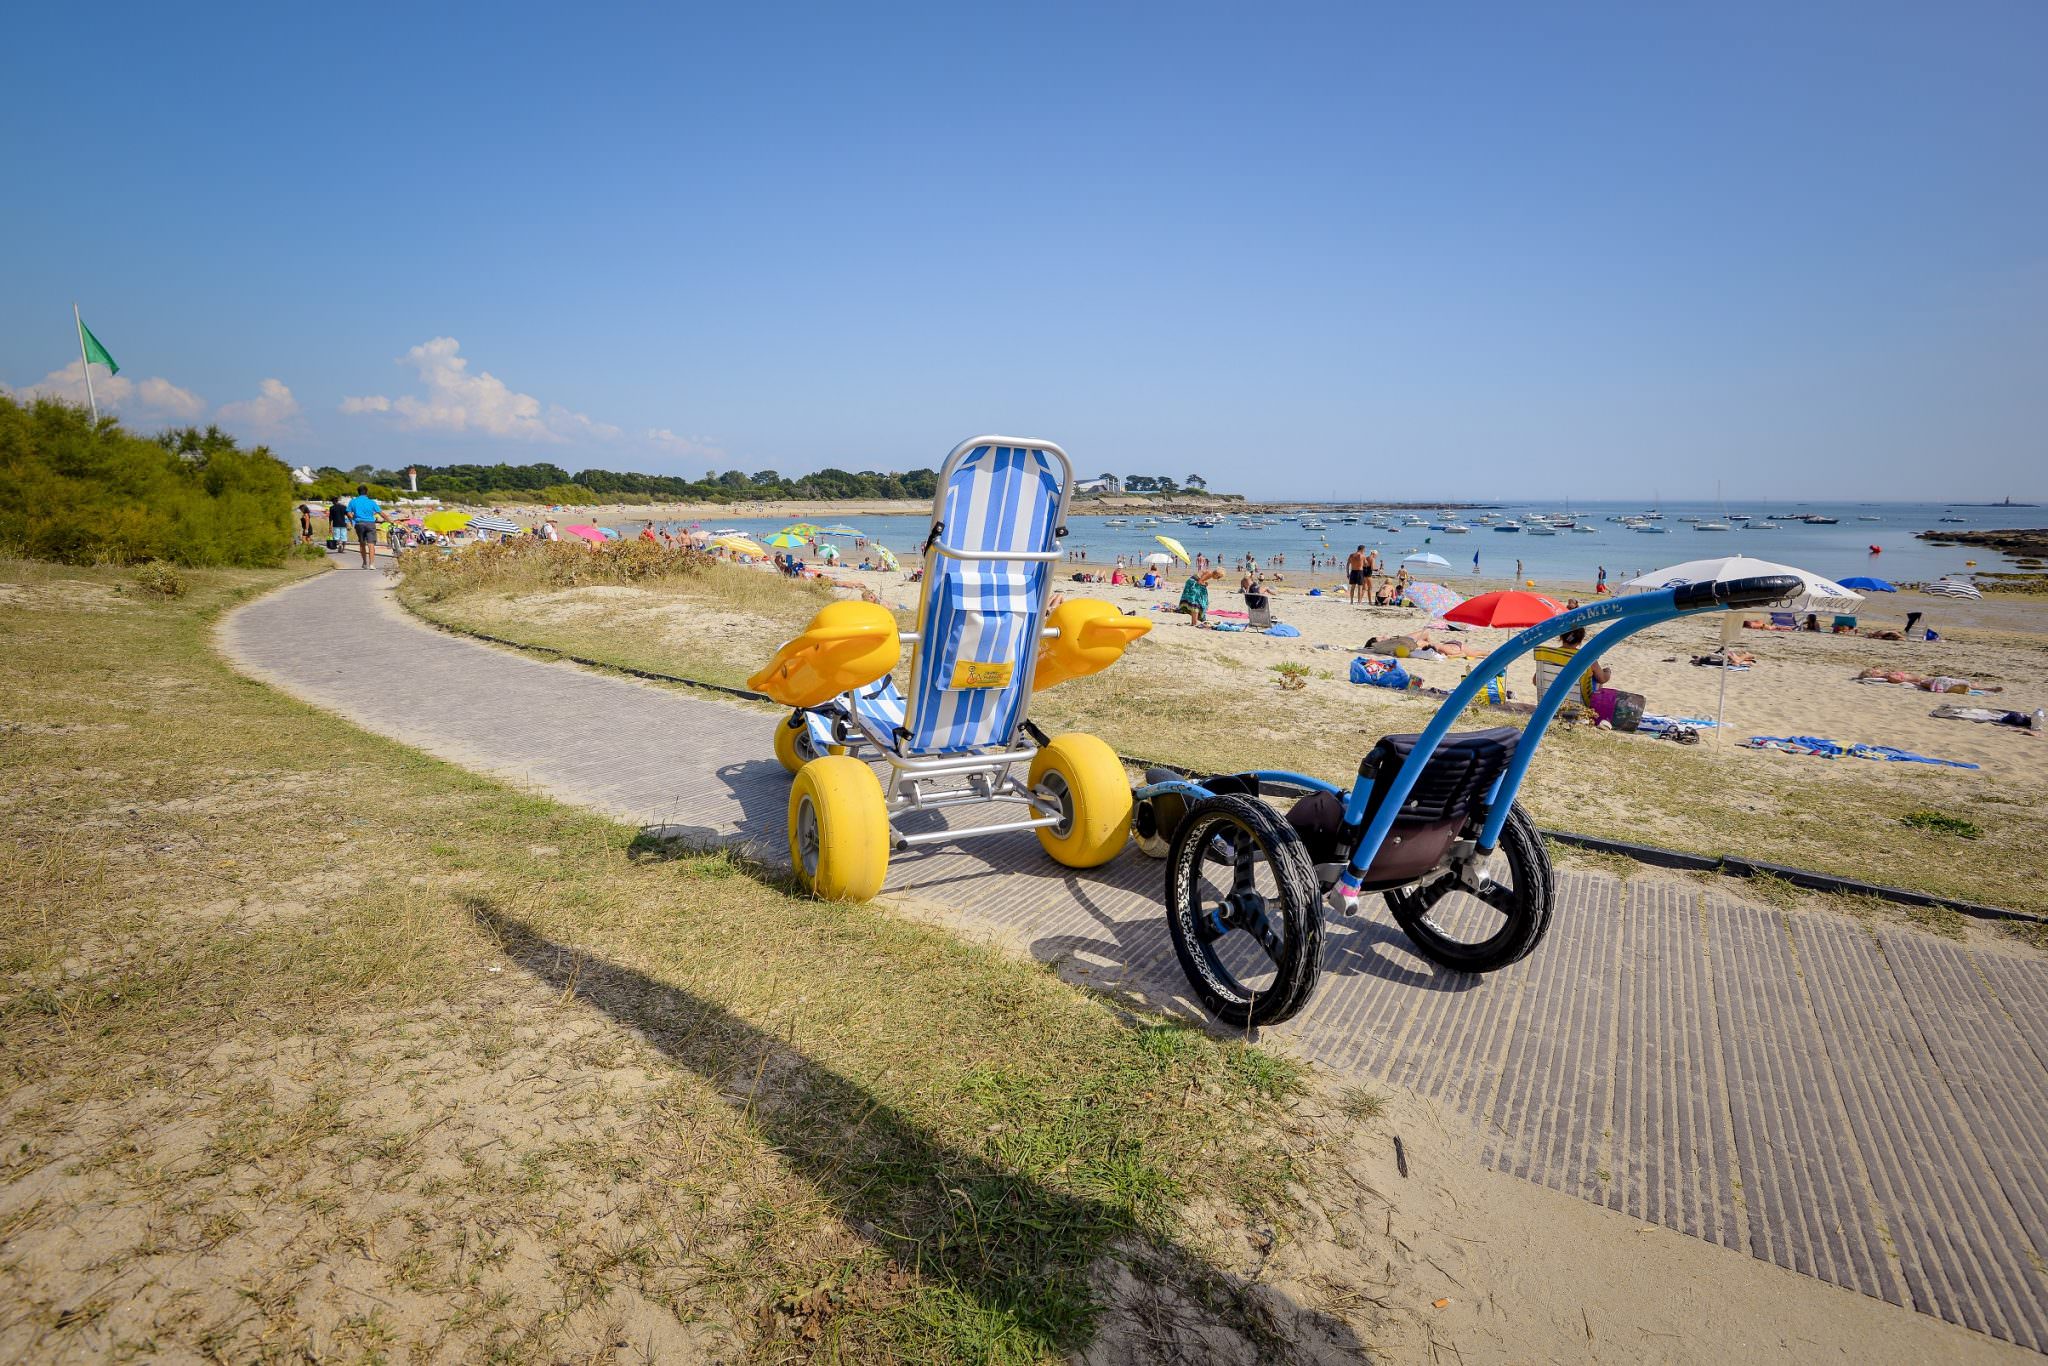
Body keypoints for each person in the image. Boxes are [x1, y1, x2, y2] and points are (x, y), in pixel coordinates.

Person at [1532, 625, 1618, 726]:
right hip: (1579, 709)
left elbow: (1535, 681)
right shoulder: (1587, 658)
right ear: (1580, 641)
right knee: (1596, 679)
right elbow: (1603, 678)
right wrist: (1608, 671)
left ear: (1561, 637)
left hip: (1548, 706)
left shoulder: (1547, 655)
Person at [346, 485, 385, 568]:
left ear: (358, 492)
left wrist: (353, 519)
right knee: (371, 544)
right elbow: (380, 513)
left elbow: (348, 513)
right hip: (370, 523)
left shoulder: (353, 501)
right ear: (367, 492)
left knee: (362, 544)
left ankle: (364, 563)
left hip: (359, 524)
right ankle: (372, 564)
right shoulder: (371, 502)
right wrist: (389, 520)